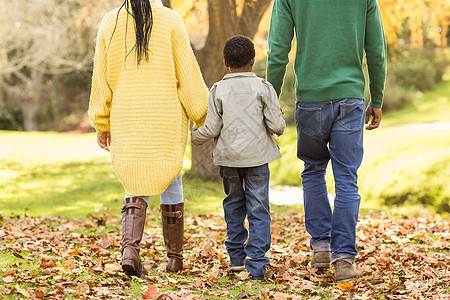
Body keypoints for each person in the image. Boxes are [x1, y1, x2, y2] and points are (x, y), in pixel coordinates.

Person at [266, 0, 387, 282]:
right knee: (347, 178)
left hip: (310, 99)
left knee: (313, 170)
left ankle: (321, 247)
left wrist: (270, 100)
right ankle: (343, 259)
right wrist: (377, 97)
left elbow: (278, 51)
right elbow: (377, 51)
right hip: (350, 97)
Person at [88, 0, 208, 278]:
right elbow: (187, 74)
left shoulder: (110, 22)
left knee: (134, 177)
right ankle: (175, 259)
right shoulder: (171, 20)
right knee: (172, 176)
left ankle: (130, 250)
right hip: (165, 114)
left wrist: (102, 121)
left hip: (127, 115)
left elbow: (101, 79)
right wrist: (200, 112)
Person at [191, 35, 286, 280]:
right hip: (257, 159)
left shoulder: (218, 90)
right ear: (253, 61)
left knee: (233, 204)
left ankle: (236, 259)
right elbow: (277, 126)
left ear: (225, 62)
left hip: (229, 160)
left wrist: (192, 136)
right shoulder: (264, 88)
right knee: (258, 208)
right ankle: (257, 263)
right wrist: (280, 118)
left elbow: (211, 128)